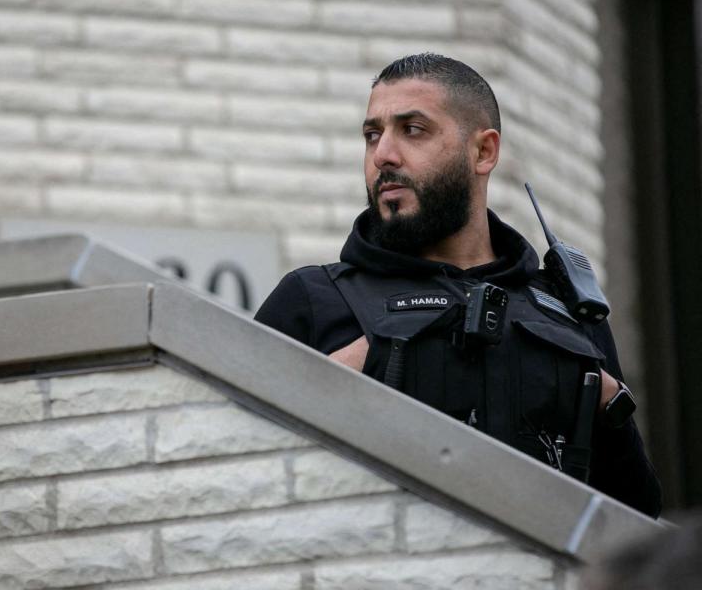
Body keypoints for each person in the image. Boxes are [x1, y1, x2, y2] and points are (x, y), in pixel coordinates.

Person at [255, 53, 662, 518]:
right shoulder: (313, 298)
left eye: (413, 130)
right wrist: (339, 381)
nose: (383, 155)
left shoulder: (570, 314)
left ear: (483, 152)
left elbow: (635, 515)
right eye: (373, 135)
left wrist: (608, 405)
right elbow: (245, 478)